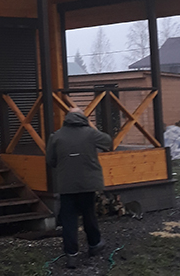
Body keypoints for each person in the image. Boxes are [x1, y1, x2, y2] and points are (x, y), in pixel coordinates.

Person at [46, 107, 112, 269]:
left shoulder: (56, 136)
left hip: (66, 184)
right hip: (87, 183)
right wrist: (90, 126)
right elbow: (108, 142)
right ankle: (94, 244)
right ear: (83, 118)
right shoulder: (90, 133)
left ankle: (71, 255)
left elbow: (50, 160)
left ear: (67, 118)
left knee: (68, 219)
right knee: (89, 215)